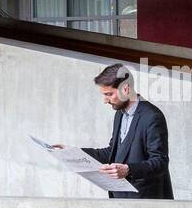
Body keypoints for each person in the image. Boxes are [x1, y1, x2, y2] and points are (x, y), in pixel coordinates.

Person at [55, 62, 173, 200]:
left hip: (145, 201)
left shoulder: (152, 117)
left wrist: (128, 169)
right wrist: (73, 152)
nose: (105, 100)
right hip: (121, 199)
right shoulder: (120, 114)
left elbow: (160, 162)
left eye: (109, 94)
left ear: (126, 89)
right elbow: (112, 152)